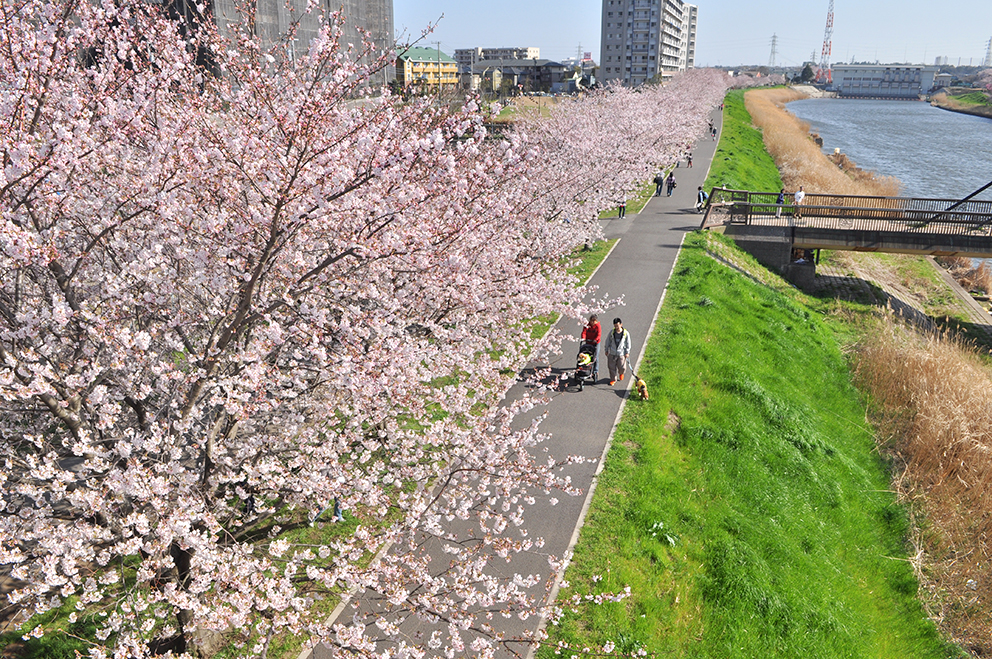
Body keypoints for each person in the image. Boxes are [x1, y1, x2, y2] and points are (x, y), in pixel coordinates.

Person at [604, 317, 631, 386]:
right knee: (611, 367)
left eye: (617, 325)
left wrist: (627, 352)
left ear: (621, 324)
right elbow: (608, 341)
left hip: (621, 353)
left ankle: (621, 373)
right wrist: (606, 350)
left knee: (622, 367)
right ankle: (613, 379)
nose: (616, 327)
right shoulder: (612, 332)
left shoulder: (625, 333)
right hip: (612, 352)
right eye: (615, 325)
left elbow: (628, 343)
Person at [581, 314, 601, 380]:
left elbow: (599, 334)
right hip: (588, 341)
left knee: (595, 357)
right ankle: (585, 367)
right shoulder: (587, 325)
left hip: (595, 343)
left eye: (594, 321)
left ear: (596, 321)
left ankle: (595, 371)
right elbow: (584, 332)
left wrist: (595, 339)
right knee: (586, 354)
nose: (592, 323)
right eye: (591, 321)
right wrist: (583, 338)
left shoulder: (598, 326)